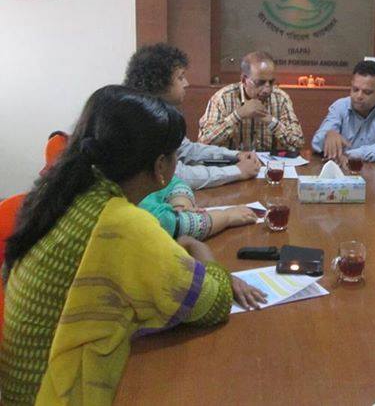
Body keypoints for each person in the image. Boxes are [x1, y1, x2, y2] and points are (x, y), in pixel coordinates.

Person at [0, 86, 267, 405]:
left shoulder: (62, 193)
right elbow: (212, 303)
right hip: (57, 394)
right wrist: (202, 255)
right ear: (160, 166)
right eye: (176, 156)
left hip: (21, 387)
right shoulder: (122, 223)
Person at [124, 43, 261, 189]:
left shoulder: (159, 112)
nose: (186, 83)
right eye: (180, 77)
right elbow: (176, 175)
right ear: (159, 82)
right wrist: (237, 171)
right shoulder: (141, 120)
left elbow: (187, 150)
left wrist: (236, 155)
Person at [198, 51, 304, 152]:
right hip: (233, 162)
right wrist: (238, 115)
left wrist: (271, 121)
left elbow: (298, 144)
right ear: (244, 80)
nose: (267, 90)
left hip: (267, 163)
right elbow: (203, 143)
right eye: (260, 83)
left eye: (271, 82)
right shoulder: (222, 98)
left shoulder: (281, 98)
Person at [311, 60, 375, 165]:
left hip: (374, 171)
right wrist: (328, 134)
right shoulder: (340, 106)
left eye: (367, 92)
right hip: (341, 170)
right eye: (355, 89)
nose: (359, 96)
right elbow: (316, 143)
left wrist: (350, 155)